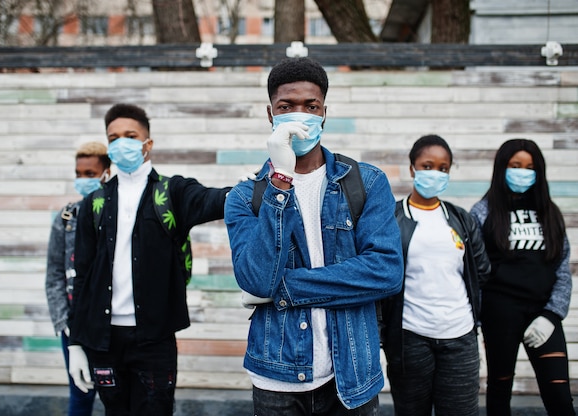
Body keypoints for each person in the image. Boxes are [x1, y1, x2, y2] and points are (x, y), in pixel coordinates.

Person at [224, 57, 404, 415]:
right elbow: (258, 281)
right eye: (286, 107)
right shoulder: (245, 197)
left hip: (351, 375)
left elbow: (386, 272)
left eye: (311, 106)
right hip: (276, 377)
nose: (299, 115)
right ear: (269, 114)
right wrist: (280, 183)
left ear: (324, 113)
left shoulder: (366, 182)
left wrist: (285, 289)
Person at [67, 103, 232, 415]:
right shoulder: (95, 203)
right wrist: (76, 341)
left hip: (153, 340)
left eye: (130, 135)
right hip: (104, 340)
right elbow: (83, 275)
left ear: (148, 144)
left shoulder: (173, 191)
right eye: (113, 138)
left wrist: (262, 182)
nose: (121, 143)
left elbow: (215, 200)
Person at [381, 135, 491, 416]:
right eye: (427, 165)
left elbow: (482, 271)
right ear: (412, 169)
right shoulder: (391, 219)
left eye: (443, 168)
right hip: (410, 339)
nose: (435, 173)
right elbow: (379, 276)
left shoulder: (460, 219)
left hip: (460, 336)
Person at [470, 139, 574, 415]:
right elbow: (474, 271)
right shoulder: (483, 212)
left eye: (529, 167)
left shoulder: (550, 213)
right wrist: (476, 319)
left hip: (543, 315)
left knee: (560, 396)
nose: (522, 172)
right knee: (499, 393)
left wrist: (553, 315)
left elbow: (562, 268)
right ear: (502, 168)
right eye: (515, 166)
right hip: (499, 315)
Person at [45, 141, 110, 416]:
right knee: (80, 394)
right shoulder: (66, 217)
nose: (83, 180)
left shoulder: (116, 212)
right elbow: (54, 276)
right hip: (74, 327)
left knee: (117, 397)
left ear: (106, 173)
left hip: (111, 323)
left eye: (90, 174)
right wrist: (66, 326)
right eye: (79, 173)